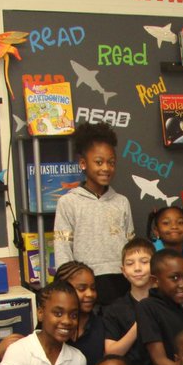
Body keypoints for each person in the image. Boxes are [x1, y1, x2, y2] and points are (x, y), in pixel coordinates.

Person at [53, 122, 135, 305]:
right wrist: (68, 286)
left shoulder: (122, 202)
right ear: (83, 163)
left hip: (120, 281)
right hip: (85, 284)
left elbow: (130, 248)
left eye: (111, 162)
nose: (106, 168)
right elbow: (63, 250)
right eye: (99, 162)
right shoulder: (68, 202)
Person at [101, 237, 157, 365]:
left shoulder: (164, 303)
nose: (137, 268)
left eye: (144, 262)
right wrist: (139, 324)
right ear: (124, 271)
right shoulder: (114, 309)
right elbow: (112, 352)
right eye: (130, 264)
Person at [55, 260, 104, 365]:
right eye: (81, 288)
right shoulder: (50, 326)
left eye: (93, 288)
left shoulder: (101, 325)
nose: (89, 294)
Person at [147, 205, 183, 308]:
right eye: (166, 223)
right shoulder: (147, 255)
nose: (174, 226)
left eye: (180, 222)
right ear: (156, 231)